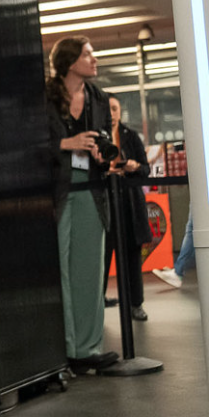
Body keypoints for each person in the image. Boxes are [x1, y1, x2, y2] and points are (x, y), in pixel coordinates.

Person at [48, 36, 118, 372]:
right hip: (56, 192)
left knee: (90, 270)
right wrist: (67, 143)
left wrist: (99, 155)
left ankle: (88, 349)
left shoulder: (99, 99)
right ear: (69, 60)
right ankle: (61, 349)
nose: (94, 58)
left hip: (91, 189)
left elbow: (106, 146)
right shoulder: (44, 96)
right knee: (57, 270)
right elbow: (27, 143)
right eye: (87, 53)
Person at [103, 96, 154, 316]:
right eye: (108, 109)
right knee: (102, 256)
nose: (112, 113)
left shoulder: (131, 136)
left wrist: (134, 166)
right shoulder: (97, 137)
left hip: (129, 204)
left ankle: (136, 304)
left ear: (120, 111)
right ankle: (97, 302)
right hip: (105, 203)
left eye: (115, 109)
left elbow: (146, 170)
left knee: (133, 255)